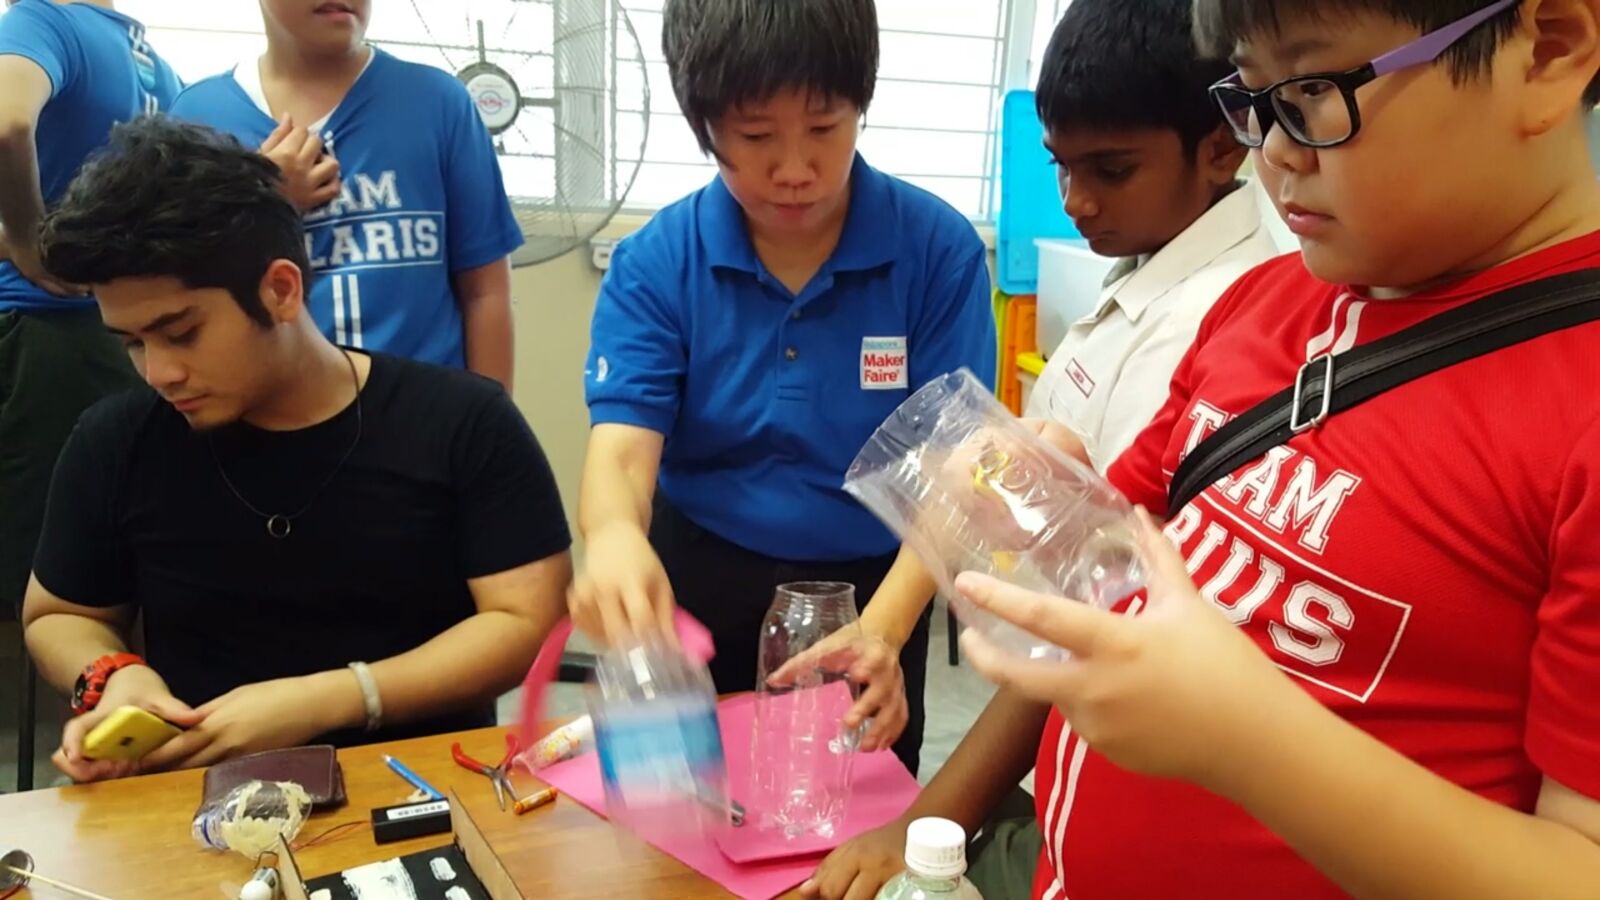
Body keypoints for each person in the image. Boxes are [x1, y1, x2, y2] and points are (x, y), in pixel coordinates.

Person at [805, 0, 1600, 897]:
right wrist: (1030, 500)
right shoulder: (1261, 305)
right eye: (1256, 102)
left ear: (1549, 51)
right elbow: (1111, 571)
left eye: (1313, 94)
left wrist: (1247, 740)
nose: (1276, 154)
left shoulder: (1575, 408)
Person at [23, 117, 572, 783]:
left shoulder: (462, 422)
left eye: (182, 333)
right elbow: (59, 614)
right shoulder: (116, 439)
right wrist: (116, 676)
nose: (159, 373)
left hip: (422, 786)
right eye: (133, 343)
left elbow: (525, 620)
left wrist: (327, 699)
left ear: (280, 290)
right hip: (195, 796)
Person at [570, 0, 996, 776]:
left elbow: (952, 469)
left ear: (861, 106)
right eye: (757, 136)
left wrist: (886, 629)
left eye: (825, 128)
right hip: (699, 576)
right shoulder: (657, 262)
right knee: (687, 799)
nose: (795, 168)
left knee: (856, 807)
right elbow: (623, 453)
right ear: (705, 126)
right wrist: (612, 537)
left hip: (873, 588)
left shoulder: (937, 252)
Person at [170, 0, 522, 389]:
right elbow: (180, 297)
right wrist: (266, 202)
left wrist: (491, 415)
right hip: (271, 408)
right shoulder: (198, 119)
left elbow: (485, 292)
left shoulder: (439, 103)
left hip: (429, 409)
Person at [1022, 0, 1282, 471]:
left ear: (1222, 149)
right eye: (1060, 164)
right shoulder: (1150, 253)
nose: (1074, 202)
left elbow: (1120, 511)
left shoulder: (1204, 326)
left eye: (1112, 171)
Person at [0, 0, 180, 621]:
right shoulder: (152, 65)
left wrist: (28, 238)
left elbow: (7, 123)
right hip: (97, 334)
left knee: (58, 564)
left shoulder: (47, 21)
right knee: (90, 557)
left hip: (59, 334)